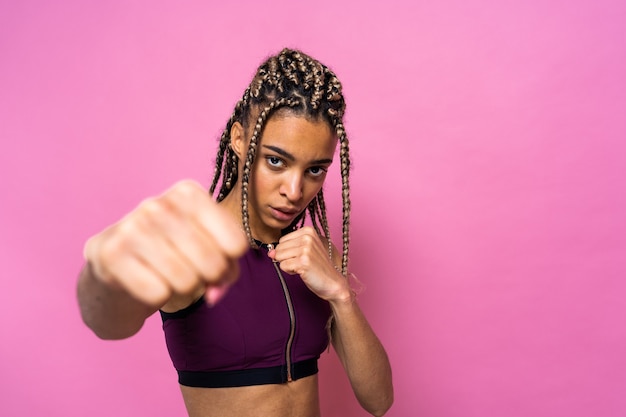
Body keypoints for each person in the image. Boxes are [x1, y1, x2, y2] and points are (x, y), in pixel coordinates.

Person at [77, 48, 393, 417]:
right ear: (241, 139)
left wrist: (340, 294)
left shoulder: (314, 254)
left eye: (315, 170)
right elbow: (107, 320)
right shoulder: (197, 245)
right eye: (276, 161)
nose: (295, 190)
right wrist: (102, 274)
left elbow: (379, 400)